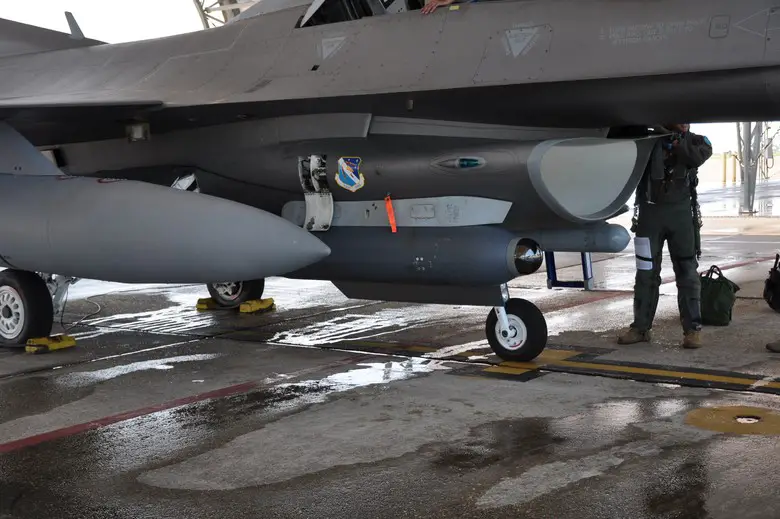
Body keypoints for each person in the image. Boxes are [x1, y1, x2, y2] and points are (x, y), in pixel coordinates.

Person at [617, 123, 713, 349]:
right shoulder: (646, 141)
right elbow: (619, 135)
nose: (682, 122)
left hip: (680, 216)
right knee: (645, 273)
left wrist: (677, 140)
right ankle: (640, 328)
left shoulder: (698, 142)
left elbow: (695, 158)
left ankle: (693, 330)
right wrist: (654, 128)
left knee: (687, 272)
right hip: (649, 215)